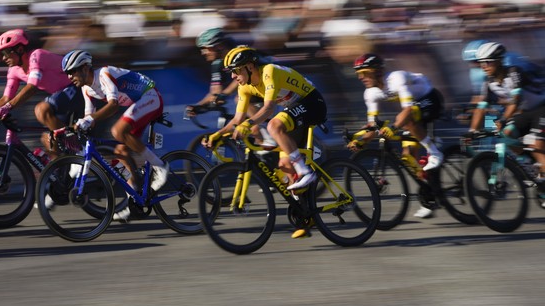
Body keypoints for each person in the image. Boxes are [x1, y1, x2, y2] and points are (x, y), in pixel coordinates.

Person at [61, 49, 169, 222]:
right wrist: (75, 128)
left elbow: (113, 105)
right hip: (139, 104)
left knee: (118, 131)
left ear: (84, 68)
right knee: (121, 153)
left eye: (72, 71)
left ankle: (160, 166)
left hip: (150, 96)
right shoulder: (86, 90)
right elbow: (90, 119)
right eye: (67, 73)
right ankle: (133, 203)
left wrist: (89, 120)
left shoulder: (103, 74)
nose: (69, 77)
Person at [203, 45, 327, 195]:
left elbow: (269, 109)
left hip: (312, 103)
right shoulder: (244, 87)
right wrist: (219, 135)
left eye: (235, 71)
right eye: (231, 72)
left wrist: (248, 124)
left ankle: (305, 172)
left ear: (249, 67)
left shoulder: (269, 72)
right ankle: (306, 213)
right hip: (296, 109)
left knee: (274, 126)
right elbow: (237, 119)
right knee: (285, 166)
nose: (232, 77)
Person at [348, 53, 445, 219]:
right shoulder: (370, 93)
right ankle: (430, 195)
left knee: (406, 120)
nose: (361, 77)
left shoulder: (396, 78)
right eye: (358, 74)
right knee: (408, 157)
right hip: (414, 108)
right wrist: (360, 140)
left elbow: (408, 110)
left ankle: (435, 151)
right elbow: (372, 126)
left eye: (364, 72)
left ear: (377, 71)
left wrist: (393, 127)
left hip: (429, 98)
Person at [0, 29, 84, 156]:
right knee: (48, 141)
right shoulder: (13, 70)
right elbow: (6, 98)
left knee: (41, 110)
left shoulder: (36, 56)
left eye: (6, 52)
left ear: (20, 50)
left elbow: (32, 87)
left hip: (77, 86)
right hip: (61, 96)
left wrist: (8, 107)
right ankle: (61, 171)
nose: (3, 57)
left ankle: (78, 151)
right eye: (2, 53)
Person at [467, 42, 545, 194]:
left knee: (537, 144)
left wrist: (502, 120)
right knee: (506, 135)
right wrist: (472, 131)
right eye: (481, 63)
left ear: (499, 60)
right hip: (526, 113)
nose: (484, 66)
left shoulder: (514, 72)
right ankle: (530, 163)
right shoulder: (488, 83)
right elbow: (481, 109)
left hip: (542, 108)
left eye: (487, 62)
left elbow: (516, 100)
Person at [189, 28, 274, 146]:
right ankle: (263, 156)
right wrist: (198, 106)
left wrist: (225, 94)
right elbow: (215, 92)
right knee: (253, 132)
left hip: (272, 83)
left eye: (205, 48)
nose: (203, 53)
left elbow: (243, 79)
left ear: (218, 46)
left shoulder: (239, 54)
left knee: (241, 100)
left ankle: (268, 133)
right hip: (255, 90)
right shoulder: (217, 64)